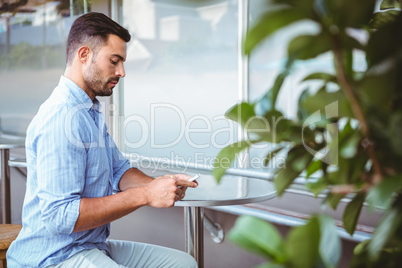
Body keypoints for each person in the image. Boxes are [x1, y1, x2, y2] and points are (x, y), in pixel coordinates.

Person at [7, 12, 198, 268]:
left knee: (182, 263)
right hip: (53, 257)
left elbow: (119, 171)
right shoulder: (61, 117)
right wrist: (145, 195)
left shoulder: (89, 110)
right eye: (114, 61)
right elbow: (60, 217)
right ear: (84, 55)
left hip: (89, 245)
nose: (122, 72)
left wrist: (161, 184)